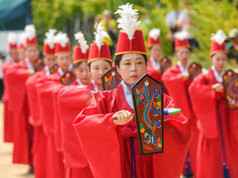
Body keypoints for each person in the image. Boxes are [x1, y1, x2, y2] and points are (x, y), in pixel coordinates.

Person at [73, 4, 192, 178]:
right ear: (118, 69)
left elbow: (182, 125)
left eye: (139, 62)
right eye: (127, 64)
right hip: (120, 165)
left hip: (150, 164)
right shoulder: (105, 99)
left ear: (146, 66)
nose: (134, 69)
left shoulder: (159, 98)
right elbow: (83, 123)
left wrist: (158, 121)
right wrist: (111, 120)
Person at [189, 30, 238, 178]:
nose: (221, 62)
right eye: (218, 59)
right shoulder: (203, 77)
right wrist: (211, 89)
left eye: (223, 59)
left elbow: (237, 97)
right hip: (211, 121)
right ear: (211, 59)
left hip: (227, 122)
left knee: (230, 152)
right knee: (211, 155)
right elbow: (194, 90)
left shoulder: (230, 76)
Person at [161, 30, 198, 177]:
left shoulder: (194, 69)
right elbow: (167, 78)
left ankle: (195, 168)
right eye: (181, 53)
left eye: (186, 52)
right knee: (182, 140)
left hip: (195, 111)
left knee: (195, 140)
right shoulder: (172, 71)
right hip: (181, 111)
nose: (184, 56)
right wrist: (182, 77)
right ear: (176, 54)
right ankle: (183, 169)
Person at [57, 31, 93, 178]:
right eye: (80, 70)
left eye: (88, 70)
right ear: (74, 71)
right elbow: (62, 96)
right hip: (76, 145)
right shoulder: (68, 89)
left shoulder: (98, 87)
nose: (85, 74)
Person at [36, 31, 72, 178]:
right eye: (61, 58)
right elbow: (43, 89)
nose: (64, 61)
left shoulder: (77, 74)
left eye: (67, 57)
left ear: (71, 58)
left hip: (71, 124)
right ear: (56, 60)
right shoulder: (51, 78)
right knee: (57, 161)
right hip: (57, 124)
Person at [5, 25, 39, 174]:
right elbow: (10, 73)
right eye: (29, 51)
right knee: (27, 134)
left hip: (38, 107)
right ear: (24, 53)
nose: (32, 53)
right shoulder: (20, 66)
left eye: (34, 50)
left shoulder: (41, 65)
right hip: (26, 106)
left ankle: (38, 162)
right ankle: (30, 163)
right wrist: (26, 73)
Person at [25, 29, 57, 178]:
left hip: (56, 122)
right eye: (48, 59)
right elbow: (32, 84)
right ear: (44, 60)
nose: (51, 62)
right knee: (43, 153)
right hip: (43, 121)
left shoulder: (65, 76)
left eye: (53, 58)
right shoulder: (38, 76)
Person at [2, 32, 19, 143]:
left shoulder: (18, 64)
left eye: (15, 52)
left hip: (17, 95)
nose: (14, 54)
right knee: (10, 120)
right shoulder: (6, 66)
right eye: (12, 53)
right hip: (9, 95)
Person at [87, 23, 112, 91]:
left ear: (111, 69)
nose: (101, 72)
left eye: (105, 68)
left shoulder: (117, 91)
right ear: (89, 70)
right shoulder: (84, 91)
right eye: (96, 68)